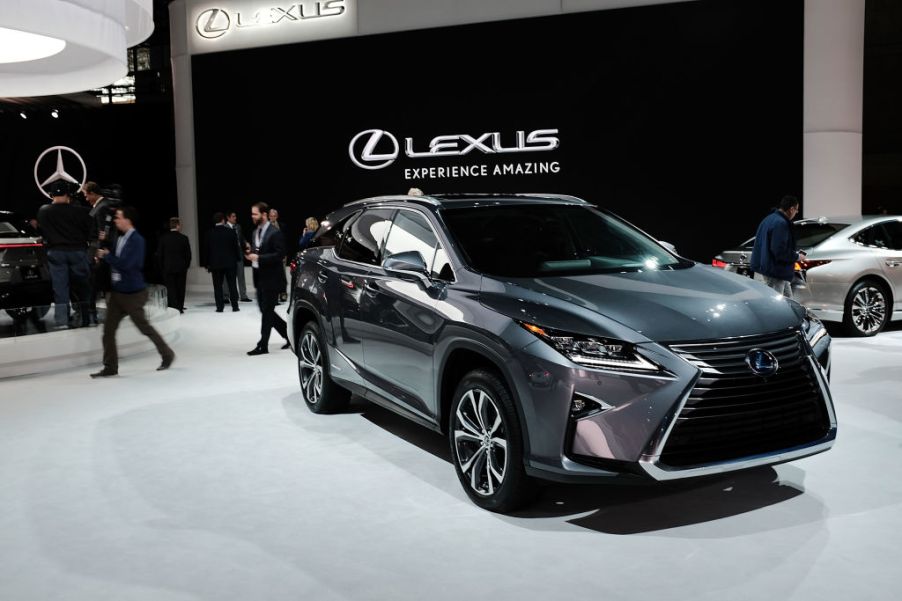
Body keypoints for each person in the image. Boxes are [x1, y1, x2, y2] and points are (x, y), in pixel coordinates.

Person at [91, 206, 175, 377]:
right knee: (108, 331)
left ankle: (167, 354)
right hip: (117, 292)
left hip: (133, 294)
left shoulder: (137, 240)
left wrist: (107, 256)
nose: (116, 220)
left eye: (119, 217)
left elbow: (128, 265)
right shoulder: (119, 238)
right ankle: (110, 367)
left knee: (144, 328)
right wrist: (105, 247)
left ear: (128, 220)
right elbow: (116, 259)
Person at [36, 180, 93, 329]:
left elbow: (42, 231)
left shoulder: (43, 211)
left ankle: (62, 322)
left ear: (51, 195)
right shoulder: (81, 211)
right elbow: (90, 230)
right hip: (78, 251)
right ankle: (88, 317)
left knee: (60, 288)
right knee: (82, 286)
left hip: (56, 253)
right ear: (68, 195)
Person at [246, 202, 289, 355]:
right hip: (259, 277)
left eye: (255, 214)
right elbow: (258, 250)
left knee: (267, 312)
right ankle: (289, 334)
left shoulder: (275, 233)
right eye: (252, 214)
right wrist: (249, 252)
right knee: (266, 310)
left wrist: (259, 257)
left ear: (264, 214)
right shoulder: (255, 232)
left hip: (272, 278)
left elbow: (280, 255)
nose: (252, 216)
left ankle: (262, 345)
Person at [749, 195, 806, 299]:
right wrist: (797, 257)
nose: (796, 212)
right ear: (791, 209)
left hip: (770, 269)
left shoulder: (769, 219)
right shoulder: (781, 223)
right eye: (796, 210)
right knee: (774, 304)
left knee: (788, 302)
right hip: (775, 272)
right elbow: (779, 251)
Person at [84, 181, 119, 324]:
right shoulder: (102, 205)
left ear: (92, 193)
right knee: (102, 282)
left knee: (94, 282)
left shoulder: (102, 206)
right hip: (100, 249)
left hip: (98, 250)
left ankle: (92, 313)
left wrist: (99, 250)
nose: (86, 198)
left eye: (86, 195)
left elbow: (103, 231)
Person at [156, 217, 192, 313]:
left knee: (171, 288)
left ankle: (173, 308)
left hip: (168, 268)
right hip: (181, 268)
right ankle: (179, 307)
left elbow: (159, 255)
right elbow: (188, 255)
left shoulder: (163, 238)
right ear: (178, 225)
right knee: (180, 288)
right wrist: (186, 266)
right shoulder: (184, 238)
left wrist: (162, 268)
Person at [207, 212, 241, 313]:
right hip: (230, 263)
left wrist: (207, 264)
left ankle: (219, 307)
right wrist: (238, 259)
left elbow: (206, 250)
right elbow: (236, 248)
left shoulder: (209, 233)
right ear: (223, 220)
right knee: (232, 285)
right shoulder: (231, 232)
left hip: (216, 264)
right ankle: (235, 307)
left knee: (217, 286)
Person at [223, 211, 252, 303]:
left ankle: (243, 296)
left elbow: (241, 238)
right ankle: (226, 296)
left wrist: (246, 243)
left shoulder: (238, 227)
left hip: (239, 255)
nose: (235, 218)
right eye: (233, 216)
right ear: (228, 218)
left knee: (241, 276)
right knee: (227, 277)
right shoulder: (224, 228)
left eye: (235, 216)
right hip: (229, 256)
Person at [268, 207, 290, 302]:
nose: (272, 217)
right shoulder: (265, 227)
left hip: (281, 255)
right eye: (271, 216)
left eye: (274, 216)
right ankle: (274, 295)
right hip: (270, 255)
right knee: (272, 276)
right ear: (269, 216)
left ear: (277, 216)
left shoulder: (282, 226)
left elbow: (286, 241)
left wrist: (285, 254)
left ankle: (283, 293)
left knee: (282, 276)